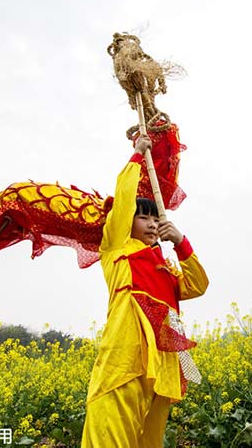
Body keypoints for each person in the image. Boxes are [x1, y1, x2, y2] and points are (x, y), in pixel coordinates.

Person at [82, 135, 209, 448]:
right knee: (109, 435)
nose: (152, 224)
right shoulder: (117, 249)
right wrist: (137, 158)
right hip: (124, 361)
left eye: (156, 217)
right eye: (144, 217)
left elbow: (198, 285)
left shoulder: (165, 268)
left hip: (161, 366)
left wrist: (181, 243)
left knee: (147, 441)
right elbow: (123, 204)